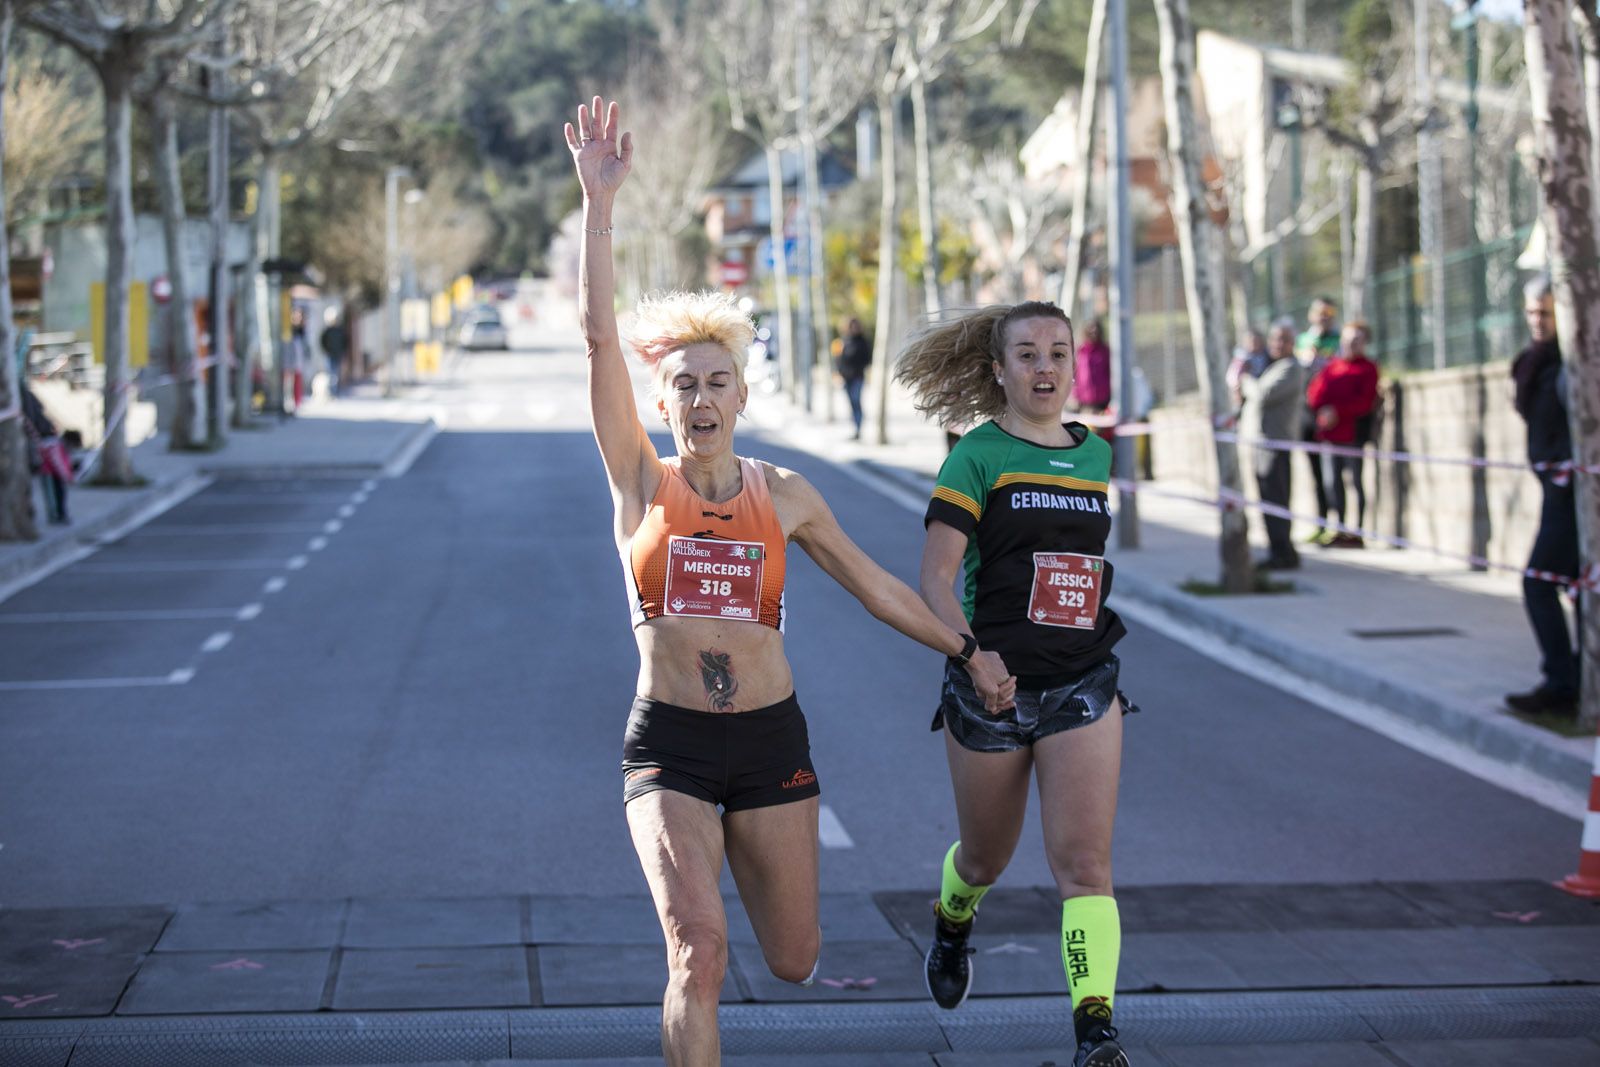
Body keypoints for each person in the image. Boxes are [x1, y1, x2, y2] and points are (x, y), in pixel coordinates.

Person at [565, 98, 1015, 1066]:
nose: (699, 397)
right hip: (671, 743)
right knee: (698, 949)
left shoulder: (790, 494)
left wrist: (969, 650)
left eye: (716, 380)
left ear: (741, 393)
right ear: (664, 401)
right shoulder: (642, 480)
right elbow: (601, 339)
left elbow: (877, 586)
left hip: (772, 740)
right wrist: (600, 206)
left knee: (796, 956)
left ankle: (755, 889)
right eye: (682, 383)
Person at [897, 301, 1135, 1067]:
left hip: (1082, 680)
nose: (1044, 368)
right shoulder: (977, 455)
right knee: (986, 858)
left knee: (1085, 866)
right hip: (989, 685)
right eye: (1027, 354)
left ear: (1074, 364)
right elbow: (934, 578)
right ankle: (953, 917)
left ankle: (1094, 1027)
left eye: (1058, 353)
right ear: (998, 370)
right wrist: (973, 656)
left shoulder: (1094, 454)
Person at [1507, 277, 1580, 718]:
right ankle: (1574, 676)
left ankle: (1562, 680)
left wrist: (1564, 473)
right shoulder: (1534, 363)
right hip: (1556, 490)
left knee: (1538, 581)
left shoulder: (1575, 365)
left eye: (1546, 313)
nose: (1538, 321)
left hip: (1572, 495)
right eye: (1532, 312)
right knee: (1580, 588)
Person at [1305, 321, 1379, 549]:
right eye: (1347, 340)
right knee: (1332, 483)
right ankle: (1339, 528)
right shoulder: (1332, 367)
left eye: (1357, 340)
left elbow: (1365, 402)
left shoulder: (1367, 368)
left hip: (1352, 434)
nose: (1351, 344)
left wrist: (1338, 411)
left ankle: (1357, 532)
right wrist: (1325, 412)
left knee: (1356, 482)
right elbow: (1314, 395)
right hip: (1329, 435)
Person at [1239, 321, 1304, 569]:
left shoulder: (1290, 368)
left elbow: (1262, 395)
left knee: (1276, 501)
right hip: (1261, 444)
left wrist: (1245, 380)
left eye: (1284, 339)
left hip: (1275, 445)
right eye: (1275, 339)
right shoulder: (1273, 366)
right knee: (1268, 501)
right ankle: (1278, 550)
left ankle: (1283, 553)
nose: (1278, 344)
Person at [1295, 298, 1340, 542]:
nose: (1323, 317)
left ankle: (1340, 526)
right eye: (1319, 312)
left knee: (1335, 473)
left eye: (1328, 313)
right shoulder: (1303, 341)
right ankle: (1321, 522)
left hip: (1331, 411)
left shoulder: (1339, 340)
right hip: (1306, 412)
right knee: (1316, 473)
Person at [20, 381, 70, 524]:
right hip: (42, 442)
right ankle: (57, 512)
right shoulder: (21, 391)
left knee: (53, 479)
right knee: (54, 479)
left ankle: (57, 513)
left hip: (42, 442)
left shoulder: (21, 392)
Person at [835, 317, 871, 440]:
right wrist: (840, 372)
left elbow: (867, 359)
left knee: (856, 402)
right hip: (846, 378)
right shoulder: (844, 341)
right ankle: (855, 427)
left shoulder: (863, 342)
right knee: (851, 403)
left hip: (857, 377)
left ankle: (858, 428)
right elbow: (839, 359)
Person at [1226, 328, 1270, 412]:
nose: (1254, 344)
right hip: (1246, 387)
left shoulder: (1266, 354)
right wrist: (1236, 387)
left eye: (1257, 341)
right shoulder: (1243, 357)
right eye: (1251, 342)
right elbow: (1234, 375)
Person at [1073, 319, 1111, 415]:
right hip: (1084, 401)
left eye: (1096, 330)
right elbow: (1075, 374)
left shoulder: (1105, 351)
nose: (1094, 332)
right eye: (1091, 329)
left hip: (1103, 401)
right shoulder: (1080, 351)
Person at [320, 312, 349, 397]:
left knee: (336, 373)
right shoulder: (327, 330)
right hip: (330, 355)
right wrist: (326, 350)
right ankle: (331, 391)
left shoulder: (340, 330)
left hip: (338, 354)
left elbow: (345, 341)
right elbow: (323, 341)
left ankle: (335, 391)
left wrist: (343, 351)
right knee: (330, 373)